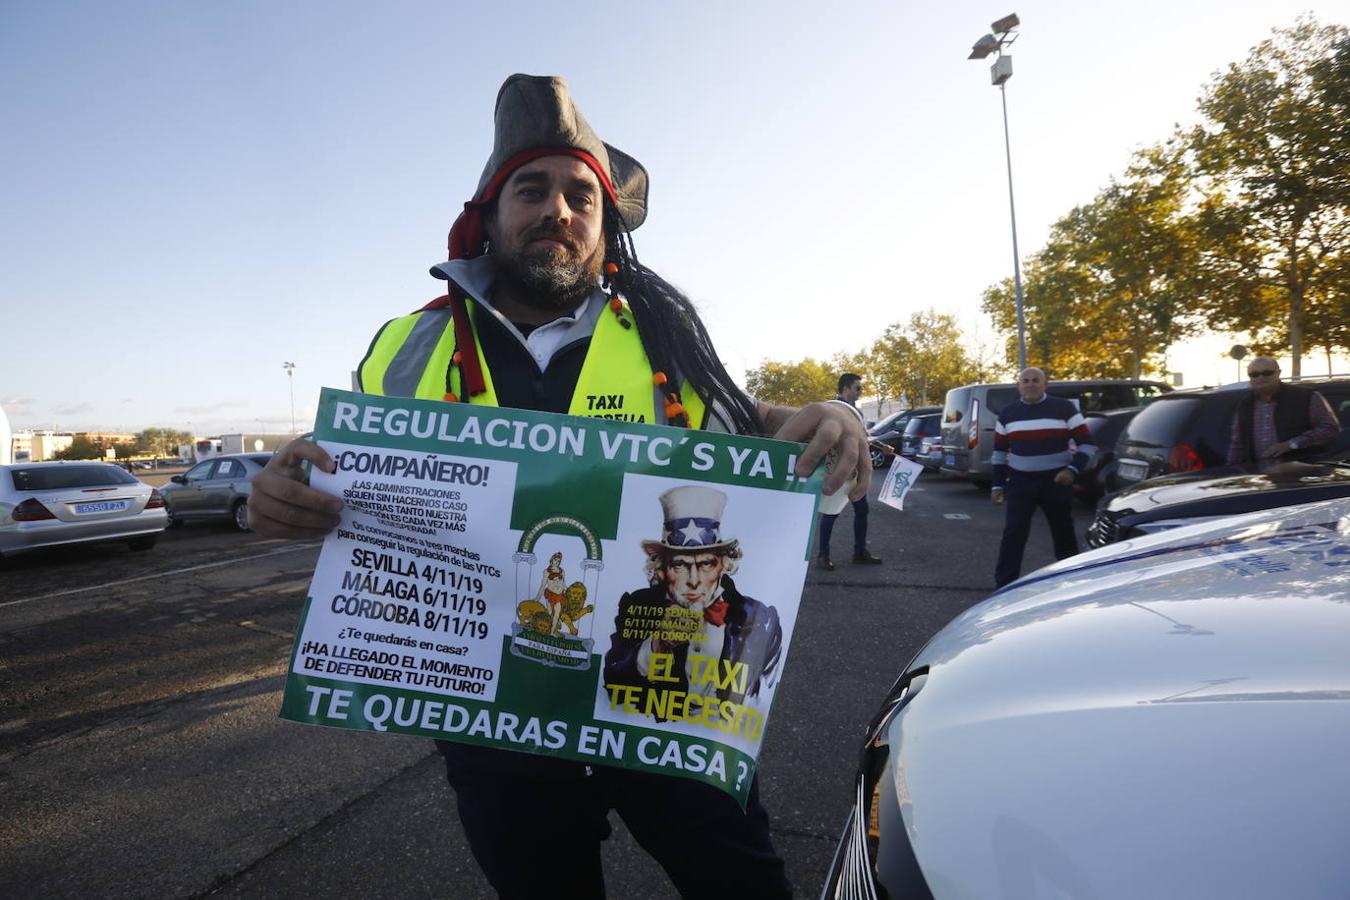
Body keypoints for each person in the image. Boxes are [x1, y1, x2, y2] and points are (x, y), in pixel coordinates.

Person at [248, 73, 872, 899]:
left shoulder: (660, 334)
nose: (558, 210)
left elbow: (754, 424)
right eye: (531, 189)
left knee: (740, 882)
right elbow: (345, 463)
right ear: (489, 215)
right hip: (487, 707)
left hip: (661, 689)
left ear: (605, 225)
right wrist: (281, 490)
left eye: (582, 195)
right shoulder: (405, 343)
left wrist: (829, 414)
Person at [605, 486, 782, 710]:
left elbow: (762, 700)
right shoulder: (637, 604)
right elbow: (613, 683)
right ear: (661, 569)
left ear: (724, 565)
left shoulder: (760, 617)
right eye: (680, 564)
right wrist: (658, 645)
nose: (694, 580)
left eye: (707, 564)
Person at [991, 367, 1094, 588]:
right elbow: (999, 454)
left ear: (1045, 385)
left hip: (1055, 481)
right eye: (1025, 381)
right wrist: (997, 485)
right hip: (1020, 482)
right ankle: (1003, 587)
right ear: (1018, 386)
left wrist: (1072, 470)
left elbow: (1087, 444)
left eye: (1036, 380)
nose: (1030, 384)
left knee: (1063, 533)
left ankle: (1072, 583)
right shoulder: (1007, 413)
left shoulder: (1064, 408)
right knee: (1014, 533)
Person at [815, 373, 883, 570]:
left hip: (855, 471)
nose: (861, 392)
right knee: (831, 513)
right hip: (838, 470)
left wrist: (881, 446)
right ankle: (823, 556)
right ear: (845, 388)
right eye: (857, 388)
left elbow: (861, 437)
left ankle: (859, 552)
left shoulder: (855, 412)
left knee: (862, 510)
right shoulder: (835, 409)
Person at [1227, 357, 1339, 464]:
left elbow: (1330, 428)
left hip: (1303, 474)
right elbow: (1237, 445)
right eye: (1254, 374)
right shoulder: (1245, 404)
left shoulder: (1305, 397)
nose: (1260, 378)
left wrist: (1292, 444)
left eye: (1267, 373)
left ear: (1278, 373)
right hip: (1258, 477)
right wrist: (1231, 473)